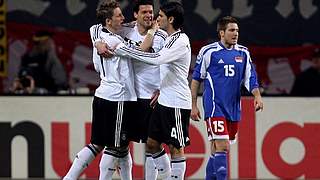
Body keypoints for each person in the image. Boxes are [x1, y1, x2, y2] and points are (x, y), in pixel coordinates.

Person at [115, 2, 192, 179]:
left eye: (161, 16)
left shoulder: (181, 40)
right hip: (163, 100)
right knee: (151, 144)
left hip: (177, 103)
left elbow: (157, 59)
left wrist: (126, 51)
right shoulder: (169, 39)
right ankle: (164, 175)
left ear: (170, 19)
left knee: (175, 148)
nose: (157, 19)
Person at [94, 0, 169, 179]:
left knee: (152, 145)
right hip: (131, 98)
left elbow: (170, 64)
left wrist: (162, 89)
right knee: (119, 145)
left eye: (151, 12)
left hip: (152, 98)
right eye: (144, 12)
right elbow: (97, 28)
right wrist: (98, 42)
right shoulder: (126, 30)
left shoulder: (162, 36)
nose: (149, 15)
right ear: (135, 15)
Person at [63, 1, 138, 179]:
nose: (123, 18)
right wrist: (150, 35)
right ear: (108, 21)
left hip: (102, 95)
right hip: (118, 98)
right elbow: (142, 53)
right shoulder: (114, 42)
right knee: (115, 147)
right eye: (119, 15)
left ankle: (69, 178)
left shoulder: (100, 37)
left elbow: (95, 30)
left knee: (100, 144)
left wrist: (97, 42)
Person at [190, 16, 263, 180]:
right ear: (221, 33)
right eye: (231, 30)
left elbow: (250, 78)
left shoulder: (243, 52)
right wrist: (193, 105)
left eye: (237, 30)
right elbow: (196, 80)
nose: (235, 33)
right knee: (222, 147)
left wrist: (257, 96)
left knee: (217, 150)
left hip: (233, 108)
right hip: (215, 106)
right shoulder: (209, 52)